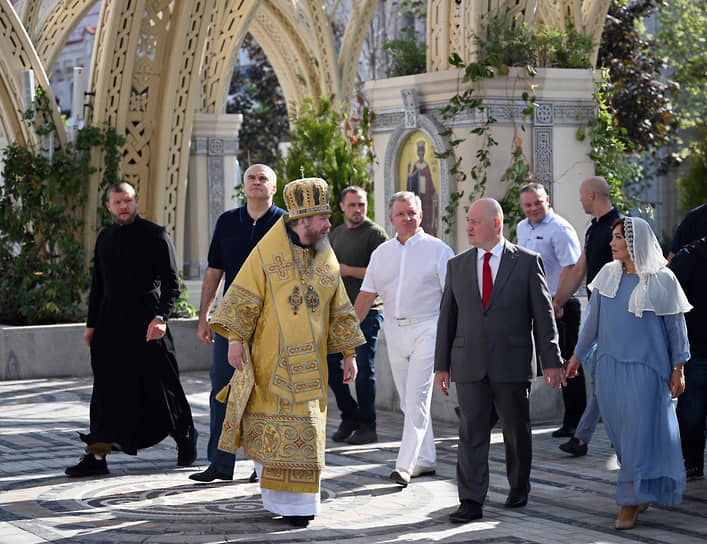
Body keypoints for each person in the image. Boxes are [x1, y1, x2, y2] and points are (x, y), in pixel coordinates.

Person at [209, 176, 365, 528]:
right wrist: (235, 341)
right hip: (269, 365)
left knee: (308, 431)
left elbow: (339, 307)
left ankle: (302, 508)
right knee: (271, 438)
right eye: (323, 218)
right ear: (302, 221)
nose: (329, 224)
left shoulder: (327, 256)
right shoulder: (267, 252)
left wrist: (350, 355)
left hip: (311, 367)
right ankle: (278, 501)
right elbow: (242, 297)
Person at [435, 198, 565, 523]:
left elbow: (543, 315)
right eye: (467, 220)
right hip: (469, 363)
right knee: (471, 432)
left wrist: (551, 360)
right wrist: (442, 365)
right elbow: (447, 318)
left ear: (496, 223)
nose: (468, 227)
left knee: (516, 431)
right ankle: (470, 501)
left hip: (512, 361)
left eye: (475, 221)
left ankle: (519, 486)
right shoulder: (458, 265)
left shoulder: (526, 261)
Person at [566, 217, 691, 530]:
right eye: (613, 237)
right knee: (622, 439)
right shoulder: (607, 275)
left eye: (618, 237)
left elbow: (676, 328)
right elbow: (591, 322)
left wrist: (679, 368)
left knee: (637, 434)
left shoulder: (663, 280)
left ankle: (629, 503)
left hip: (648, 372)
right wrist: (577, 356)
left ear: (635, 242)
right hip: (608, 370)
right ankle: (639, 486)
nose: (612, 243)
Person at [65, 182, 197, 477]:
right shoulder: (105, 237)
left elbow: (171, 283)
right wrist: (91, 325)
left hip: (148, 324)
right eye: (117, 202)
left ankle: (184, 436)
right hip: (110, 328)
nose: (123, 206)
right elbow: (98, 284)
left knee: (162, 387)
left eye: (128, 200)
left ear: (136, 202)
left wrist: (161, 318)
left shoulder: (156, 235)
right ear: (108, 207)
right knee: (105, 393)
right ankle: (97, 458)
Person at [190, 164, 285, 483]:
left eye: (264, 179)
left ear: (274, 187)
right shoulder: (227, 222)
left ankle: (264, 464)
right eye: (252, 178)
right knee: (222, 387)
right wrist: (204, 316)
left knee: (267, 393)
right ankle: (220, 462)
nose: (257, 183)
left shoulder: (286, 223)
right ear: (244, 186)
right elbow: (214, 272)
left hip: (272, 320)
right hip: (230, 320)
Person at [354, 191, 453, 487]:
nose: (407, 218)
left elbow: (452, 297)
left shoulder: (438, 250)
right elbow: (366, 295)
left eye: (412, 213)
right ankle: (426, 460)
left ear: (421, 215)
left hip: (429, 328)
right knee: (407, 403)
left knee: (417, 398)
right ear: (392, 218)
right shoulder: (381, 253)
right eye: (401, 214)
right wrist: (344, 334)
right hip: (394, 330)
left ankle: (404, 465)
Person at [554, 176, 621, 457]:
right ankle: (583, 436)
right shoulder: (594, 230)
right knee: (604, 377)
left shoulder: (620, 228)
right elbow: (580, 269)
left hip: (618, 314)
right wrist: (558, 301)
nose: (580, 200)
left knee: (607, 377)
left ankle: (586, 436)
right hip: (598, 311)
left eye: (582, 195)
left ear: (592, 196)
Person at [516, 183, 584, 438]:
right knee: (526, 359)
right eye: (528, 204)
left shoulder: (560, 228)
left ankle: (575, 422)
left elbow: (572, 267)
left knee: (568, 365)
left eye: (537, 203)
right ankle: (497, 414)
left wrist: (559, 302)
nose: (533, 208)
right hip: (534, 305)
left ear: (547, 200)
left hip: (561, 305)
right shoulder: (522, 227)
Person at [327, 186, 388, 445]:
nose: (357, 210)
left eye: (361, 204)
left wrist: (348, 270)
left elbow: (383, 273)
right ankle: (349, 415)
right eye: (352, 205)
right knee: (330, 366)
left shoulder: (375, 235)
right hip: (339, 313)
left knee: (364, 370)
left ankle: (368, 425)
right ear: (342, 207)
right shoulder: (337, 234)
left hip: (369, 312)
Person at [670, 235, 707, 481]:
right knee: (691, 412)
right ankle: (690, 461)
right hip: (695, 350)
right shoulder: (690, 256)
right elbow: (667, 303)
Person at [406, 140, 439, 235]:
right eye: (419, 151)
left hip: (427, 198)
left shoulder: (426, 166)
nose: (420, 153)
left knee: (427, 222)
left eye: (422, 151)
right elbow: (410, 185)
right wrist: (409, 173)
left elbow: (430, 183)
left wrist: (434, 194)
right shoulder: (415, 166)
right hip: (418, 198)